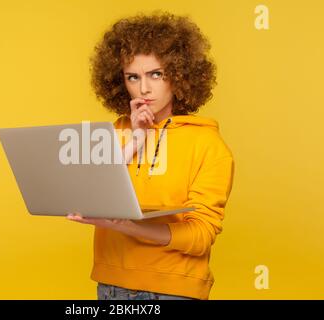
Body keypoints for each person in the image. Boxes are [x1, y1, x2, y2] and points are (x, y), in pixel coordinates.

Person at [66, 11, 235, 300]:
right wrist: (136, 138)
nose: (143, 88)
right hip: (110, 287)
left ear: (180, 75)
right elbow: (86, 195)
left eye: (156, 74)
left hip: (173, 290)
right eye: (133, 77)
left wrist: (130, 227)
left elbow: (201, 236)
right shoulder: (115, 133)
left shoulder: (208, 144)